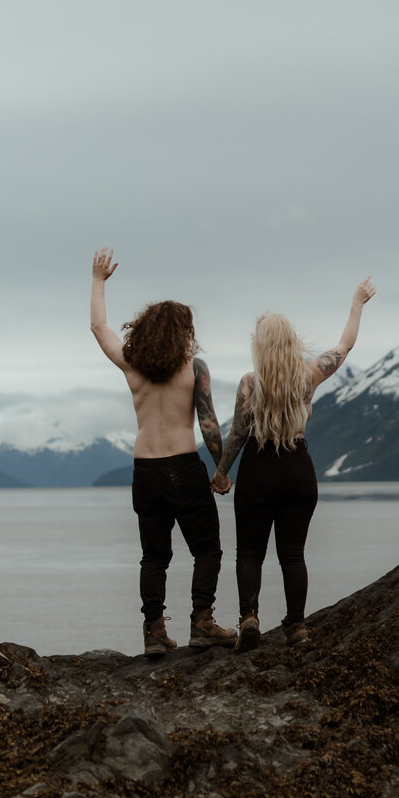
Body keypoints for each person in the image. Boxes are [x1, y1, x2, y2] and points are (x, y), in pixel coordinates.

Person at [211, 279, 376, 651]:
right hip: (298, 469)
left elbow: (237, 435)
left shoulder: (250, 384)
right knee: (293, 554)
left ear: (260, 345)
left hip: (258, 469)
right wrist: (357, 303)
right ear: (291, 342)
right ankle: (297, 626)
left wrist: (221, 474)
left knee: (250, 552)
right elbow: (345, 346)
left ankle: (249, 618)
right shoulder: (309, 374)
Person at [90, 248, 237, 657]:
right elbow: (208, 425)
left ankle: (153, 633)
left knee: (154, 556)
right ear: (183, 333)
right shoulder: (194, 368)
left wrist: (98, 280)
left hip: (145, 471)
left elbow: (99, 327)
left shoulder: (132, 365)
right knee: (206, 548)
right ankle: (202, 624)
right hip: (183, 467)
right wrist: (221, 470)